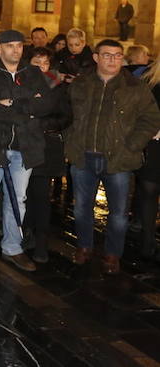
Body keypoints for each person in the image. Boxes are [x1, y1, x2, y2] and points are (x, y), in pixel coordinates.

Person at [64, 39, 160, 274]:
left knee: (118, 213)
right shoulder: (81, 84)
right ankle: (84, 247)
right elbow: (65, 113)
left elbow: (150, 118)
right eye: (107, 55)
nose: (113, 60)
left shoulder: (135, 87)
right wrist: (71, 139)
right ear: (96, 58)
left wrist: (133, 145)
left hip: (119, 160)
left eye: (118, 56)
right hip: (83, 157)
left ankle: (112, 254)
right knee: (81, 208)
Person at [0, 30, 50, 273]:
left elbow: (45, 104)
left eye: (19, 45)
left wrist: (11, 101)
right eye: (10, 46)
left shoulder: (33, 73)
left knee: (19, 200)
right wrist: (27, 103)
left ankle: (13, 246)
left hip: (24, 146)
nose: (16, 50)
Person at [23, 47, 72, 264]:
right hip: (23, 146)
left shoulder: (57, 87)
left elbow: (65, 116)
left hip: (45, 147)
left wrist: (42, 124)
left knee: (41, 195)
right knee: (23, 194)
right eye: (36, 63)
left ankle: (41, 240)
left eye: (45, 63)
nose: (41, 67)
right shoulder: (20, 84)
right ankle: (26, 234)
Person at [137, 61, 160, 260]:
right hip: (154, 143)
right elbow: (138, 111)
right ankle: (148, 240)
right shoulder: (148, 81)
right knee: (149, 191)